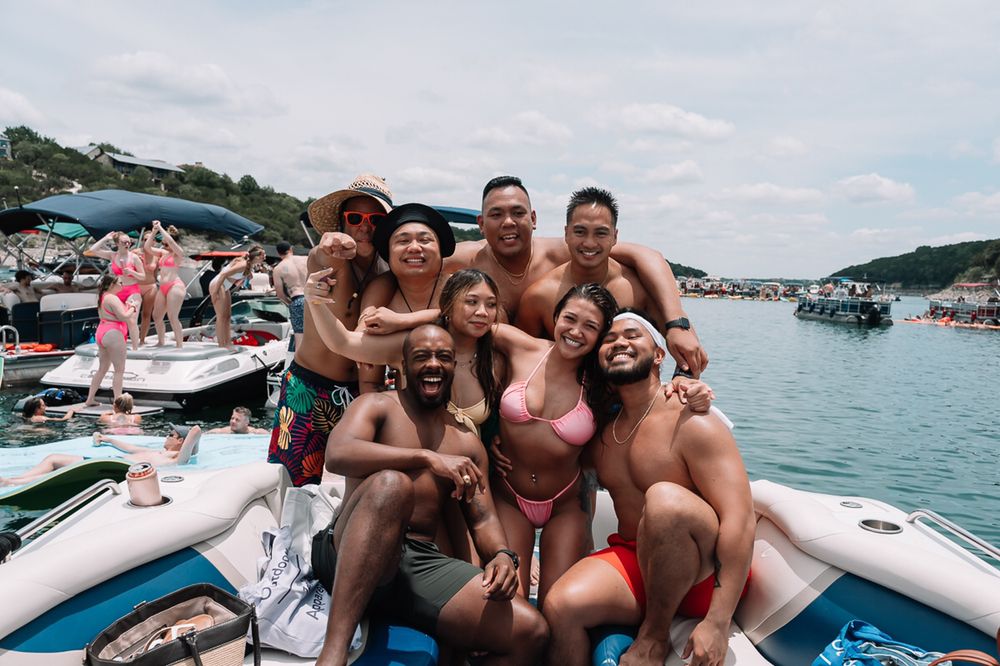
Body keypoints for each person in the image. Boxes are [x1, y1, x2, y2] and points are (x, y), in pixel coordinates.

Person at [314, 324, 547, 665]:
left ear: (455, 366)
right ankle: (332, 656)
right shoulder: (376, 405)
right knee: (392, 485)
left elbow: (482, 518)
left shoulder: (466, 442)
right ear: (404, 367)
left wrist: (501, 555)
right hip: (349, 551)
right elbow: (337, 453)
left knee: (531, 631)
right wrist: (426, 457)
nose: (434, 364)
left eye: (443, 357)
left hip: (416, 564)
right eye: (421, 357)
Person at [543, 311, 753, 666]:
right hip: (636, 564)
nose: (619, 342)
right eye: (608, 340)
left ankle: (653, 638)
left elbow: (741, 519)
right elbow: (577, 497)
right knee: (560, 606)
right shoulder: (602, 435)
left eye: (632, 335)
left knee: (664, 499)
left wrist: (717, 621)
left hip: (701, 574)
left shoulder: (692, 420)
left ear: (659, 355)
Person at [444, 176, 708, 375]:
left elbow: (648, 256)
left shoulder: (566, 249)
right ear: (480, 223)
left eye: (518, 213)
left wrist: (677, 325)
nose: (508, 222)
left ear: (533, 218)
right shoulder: (469, 260)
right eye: (496, 214)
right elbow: (417, 259)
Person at [267, 174, 393, 486]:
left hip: (358, 392)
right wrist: (332, 246)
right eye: (355, 218)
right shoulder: (330, 260)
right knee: (293, 482)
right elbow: (320, 255)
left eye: (375, 219)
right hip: (308, 389)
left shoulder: (388, 272)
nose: (364, 227)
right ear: (341, 222)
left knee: (362, 485)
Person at [305, 267, 505, 440]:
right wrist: (315, 302)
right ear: (449, 305)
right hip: (414, 468)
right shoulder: (415, 347)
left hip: (467, 470)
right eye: (472, 302)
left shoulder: (494, 359)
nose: (482, 312)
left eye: (491, 304)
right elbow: (343, 342)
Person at [516, 187, 664, 340]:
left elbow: (672, 340)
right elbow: (522, 355)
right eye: (580, 232)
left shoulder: (637, 289)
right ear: (566, 234)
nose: (589, 243)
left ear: (615, 236)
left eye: (601, 233)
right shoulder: (540, 297)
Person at [354, 203, 456, 393]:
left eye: (425, 240)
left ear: (441, 249)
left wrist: (401, 321)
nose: (415, 248)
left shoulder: (458, 287)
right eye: (403, 241)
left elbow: (465, 314)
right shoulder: (383, 296)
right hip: (408, 412)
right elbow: (370, 382)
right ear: (389, 254)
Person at [0, 424, 202, 486]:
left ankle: (11, 482)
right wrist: (108, 439)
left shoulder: (176, 459)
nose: (166, 436)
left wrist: (190, 443)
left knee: (65, 472)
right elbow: (129, 449)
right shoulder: (158, 452)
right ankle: (19, 479)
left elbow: (196, 431)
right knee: (54, 458)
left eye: (171, 434)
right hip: (111, 461)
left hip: (115, 468)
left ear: (181, 442)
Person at [84, 275, 140, 406]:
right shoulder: (112, 298)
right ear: (111, 285)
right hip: (113, 333)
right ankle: (118, 402)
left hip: (102, 331)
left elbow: (114, 313)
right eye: (120, 283)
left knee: (102, 368)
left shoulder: (103, 296)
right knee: (119, 369)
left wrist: (126, 306)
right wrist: (133, 307)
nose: (122, 285)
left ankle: (90, 399)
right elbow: (124, 316)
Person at [208, 245, 266, 348]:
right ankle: (222, 344)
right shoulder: (243, 264)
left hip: (225, 286)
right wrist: (215, 292)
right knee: (221, 316)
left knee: (227, 316)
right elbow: (223, 275)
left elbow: (238, 279)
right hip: (218, 284)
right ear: (257, 256)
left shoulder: (248, 266)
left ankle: (227, 342)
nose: (265, 257)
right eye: (263, 255)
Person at [147, 220, 187, 347]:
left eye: (166, 244)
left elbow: (170, 241)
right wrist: (153, 232)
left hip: (175, 285)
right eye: (162, 243)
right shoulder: (164, 253)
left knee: (172, 316)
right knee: (157, 316)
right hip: (163, 287)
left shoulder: (179, 253)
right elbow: (147, 248)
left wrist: (160, 228)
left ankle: (179, 344)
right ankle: (161, 341)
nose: (164, 245)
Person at [86, 231, 146, 309]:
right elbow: (93, 250)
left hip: (132, 290)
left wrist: (132, 272)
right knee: (119, 319)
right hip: (116, 290)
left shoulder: (134, 257)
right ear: (117, 243)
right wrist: (105, 238)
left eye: (129, 242)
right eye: (124, 242)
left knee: (131, 319)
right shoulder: (112, 255)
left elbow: (143, 277)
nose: (127, 244)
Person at [271, 240, 309, 351]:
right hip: (313, 297)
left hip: (297, 299)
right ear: (291, 249)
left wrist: (290, 304)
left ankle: (301, 366)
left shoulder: (278, 269)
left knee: (300, 339)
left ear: (279, 254)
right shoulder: (305, 259)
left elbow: (280, 294)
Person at [136, 228, 161, 345]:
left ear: (154, 241)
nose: (147, 241)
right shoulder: (135, 253)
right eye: (145, 239)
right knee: (131, 313)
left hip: (150, 286)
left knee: (146, 314)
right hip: (136, 286)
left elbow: (156, 272)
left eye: (150, 239)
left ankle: (142, 339)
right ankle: (131, 337)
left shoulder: (156, 255)